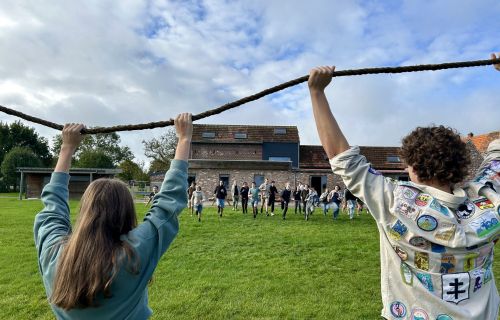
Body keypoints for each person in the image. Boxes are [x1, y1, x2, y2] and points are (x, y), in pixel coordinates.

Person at [308, 56, 500, 320]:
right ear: (459, 165)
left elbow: (344, 160)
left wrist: (316, 92)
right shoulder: (489, 200)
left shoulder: (395, 201)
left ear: (416, 168)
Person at [34, 113, 192, 319]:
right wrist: (184, 139)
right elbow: (167, 205)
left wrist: (67, 148)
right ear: (126, 213)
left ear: (85, 210)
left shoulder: (53, 253)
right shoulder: (132, 256)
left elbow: (53, 206)